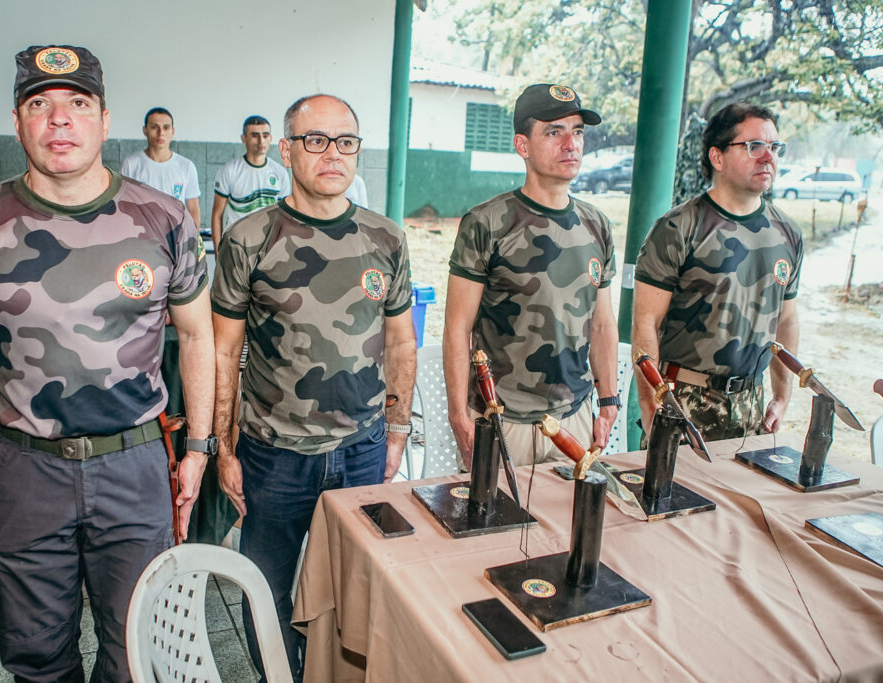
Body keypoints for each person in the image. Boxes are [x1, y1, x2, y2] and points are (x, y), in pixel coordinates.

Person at [0, 45, 216, 682]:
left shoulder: (163, 219)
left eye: (77, 104)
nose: (60, 120)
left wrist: (198, 447)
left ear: (105, 120)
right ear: (17, 121)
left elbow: (197, 337)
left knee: (139, 651)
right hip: (24, 469)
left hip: (134, 466)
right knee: (35, 656)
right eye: (41, 104)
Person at [210, 94, 416, 681]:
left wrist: (397, 429)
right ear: (286, 150)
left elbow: (401, 342)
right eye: (316, 140)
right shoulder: (249, 238)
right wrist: (224, 449)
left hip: (362, 449)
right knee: (266, 589)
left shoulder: (385, 238)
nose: (333, 153)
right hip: (274, 455)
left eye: (346, 141)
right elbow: (223, 352)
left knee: (357, 589)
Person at [444, 83, 620, 469]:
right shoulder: (487, 223)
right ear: (522, 145)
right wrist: (459, 416)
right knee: (495, 529)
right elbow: (458, 328)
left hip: (574, 417)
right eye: (554, 132)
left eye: (577, 132)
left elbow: (603, 324)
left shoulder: (596, 225)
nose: (570, 144)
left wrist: (608, 400)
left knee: (571, 527)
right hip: (501, 419)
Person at [632, 103, 802, 440]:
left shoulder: (787, 233)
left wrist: (782, 397)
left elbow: (786, 320)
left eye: (774, 147)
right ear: (717, 157)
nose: (768, 157)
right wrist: (651, 406)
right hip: (683, 401)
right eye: (754, 146)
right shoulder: (679, 228)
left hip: (751, 408)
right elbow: (645, 324)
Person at [211, 115, 291, 250]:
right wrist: (219, 252)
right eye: (255, 135)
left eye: (265, 135)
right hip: (236, 246)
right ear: (244, 138)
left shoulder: (280, 172)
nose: (261, 140)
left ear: (271, 138)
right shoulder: (229, 170)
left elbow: (286, 216)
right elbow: (217, 214)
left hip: (268, 247)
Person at [121, 106, 203, 229]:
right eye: (154, 127)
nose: (161, 133)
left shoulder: (186, 166)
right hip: (142, 236)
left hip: (175, 237)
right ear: (145, 130)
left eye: (166, 127)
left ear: (173, 131)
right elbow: (124, 206)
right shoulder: (131, 164)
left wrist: (192, 240)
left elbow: (193, 209)